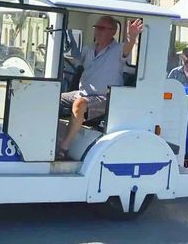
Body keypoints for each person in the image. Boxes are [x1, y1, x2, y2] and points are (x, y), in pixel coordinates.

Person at [58, 16, 143, 159]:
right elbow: (75, 64)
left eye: (101, 28)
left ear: (113, 31)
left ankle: (64, 148)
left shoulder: (118, 49)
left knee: (79, 104)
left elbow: (127, 47)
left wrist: (132, 37)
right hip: (82, 93)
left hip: (105, 97)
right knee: (51, 96)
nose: (97, 31)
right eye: (96, 27)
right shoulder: (88, 49)